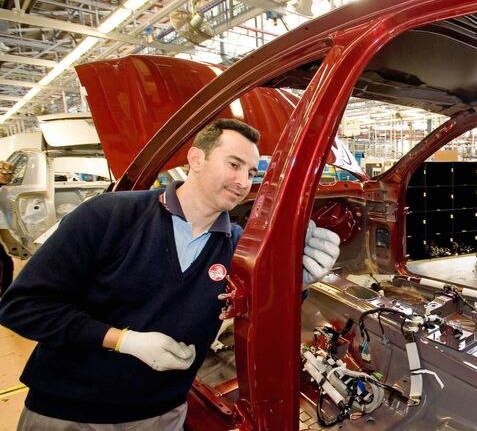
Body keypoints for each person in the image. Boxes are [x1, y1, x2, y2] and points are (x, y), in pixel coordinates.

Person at [0, 118, 341, 430]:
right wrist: (122, 340)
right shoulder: (109, 216)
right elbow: (22, 306)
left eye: (251, 172)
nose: (242, 182)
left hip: (162, 416)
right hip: (69, 413)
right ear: (196, 159)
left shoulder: (240, 248)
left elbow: (259, 319)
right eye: (234, 164)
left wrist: (294, 285)